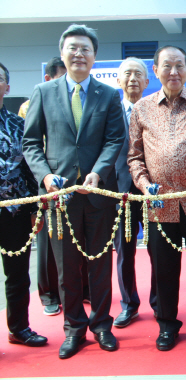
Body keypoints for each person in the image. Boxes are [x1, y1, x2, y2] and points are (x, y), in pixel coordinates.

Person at [23, 24, 125, 359]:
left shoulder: (109, 95)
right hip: (60, 197)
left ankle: (101, 326)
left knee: (99, 265)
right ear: (63, 53)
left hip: (98, 195)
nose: (79, 54)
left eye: (85, 49)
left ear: (95, 56)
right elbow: (31, 143)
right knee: (67, 269)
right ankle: (74, 330)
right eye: (73, 48)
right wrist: (46, 177)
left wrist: (98, 172)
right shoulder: (43, 91)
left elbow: (114, 140)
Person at [128, 45, 186, 351]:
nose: (173, 72)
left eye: (179, 66)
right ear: (155, 70)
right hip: (159, 206)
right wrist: (144, 185)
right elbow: (134, 157)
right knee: (164, 269)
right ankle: (167, 325)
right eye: (166, 66)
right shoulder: (141, 109)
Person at [17, 57, 75, 317]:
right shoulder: (32, 103)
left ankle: (76, 290)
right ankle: (48, 293)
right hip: (44, 182)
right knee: (47, 242)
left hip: (74, 183)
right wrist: (45, 177)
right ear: (51, 78)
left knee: (73, 241)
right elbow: (31, 145)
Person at [0, 62, 48, 348]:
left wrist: (34, 210)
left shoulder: (19, 124)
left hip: (15, 210)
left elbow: (32, 169)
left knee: (17, 275)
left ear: (7, 86)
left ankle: (19, 328)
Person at [112, 57, 157, 328]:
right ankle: (129, 304)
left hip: (151, 190)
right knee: (123, 251)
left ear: (147, 81)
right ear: (118, 81)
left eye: (138, 74)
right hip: (119, 193)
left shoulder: (155, 110)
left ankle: (159, 301)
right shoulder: (109, 110)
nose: (132, 79)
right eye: (127, 74)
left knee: (157, 250)